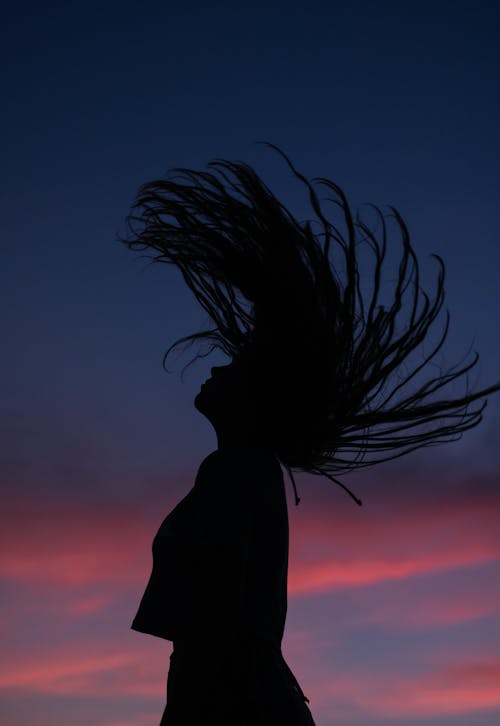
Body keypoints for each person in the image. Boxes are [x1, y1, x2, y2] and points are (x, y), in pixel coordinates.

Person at [121, 143, 500, 724]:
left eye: (235, 368)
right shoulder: (249, 470)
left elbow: (226, 620)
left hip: (234, 698)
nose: (218, 369)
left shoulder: (237, 469)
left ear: (255, 400)